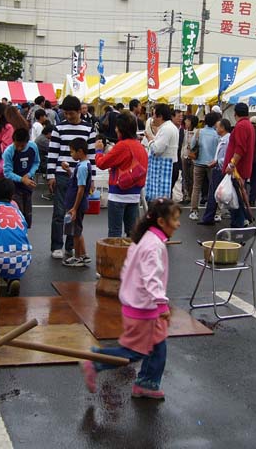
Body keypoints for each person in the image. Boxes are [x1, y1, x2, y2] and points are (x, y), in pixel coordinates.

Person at [80, 198, 180, 400]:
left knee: (157, 346)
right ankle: (96, 362)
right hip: (145, 309)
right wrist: (162, 304)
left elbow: (130, 270)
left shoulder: (145, 238)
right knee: (134, 351)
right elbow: (151, 278)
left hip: (140, 305)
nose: (178, 224)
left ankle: (147, 383)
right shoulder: (153, 246)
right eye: (175, 219)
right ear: (161, 222)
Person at [46, 95, 96, 260]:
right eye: (65, 113)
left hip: (80, 176)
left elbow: (92, 155)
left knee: (74, 213)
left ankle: (70, 246)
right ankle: (57, 246)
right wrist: (50, 175)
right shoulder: (58, 128)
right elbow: (53, 153)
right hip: (62, 175)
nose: (67, 116)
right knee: (60, 212)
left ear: (79, 111)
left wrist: (92, 179)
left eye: (71, 113)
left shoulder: (89, 129)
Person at [94, 113, 148, 238]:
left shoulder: (122, 146)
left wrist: (98, 150)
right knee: (132, 233)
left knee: (114, 233)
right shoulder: (139, 147)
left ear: (120, 129)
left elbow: (101, 163)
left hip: (118, 194)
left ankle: (116, 257)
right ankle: (132, 256)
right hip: (134, 195)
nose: (115, 130)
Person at [0, 178, 33, 297]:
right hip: (24, 260)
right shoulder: (17, 211)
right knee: (10, 248)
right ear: (12, 196)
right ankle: (12, 279)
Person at [223, 103, 255, 227]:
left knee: (235, 199)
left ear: (235, 113)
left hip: (237, 169)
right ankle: (244, 220)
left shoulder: (241, 126)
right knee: (239, 197)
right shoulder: (249, 125)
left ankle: (238, 226)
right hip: (242, 167)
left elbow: (240, 148)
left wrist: (231, 164)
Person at [62, 138, 91, 267]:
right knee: (78, 230)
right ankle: (83, 255)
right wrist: (68, 171)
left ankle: (78, 257)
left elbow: (81, 189)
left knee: (75, 232)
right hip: (75, 203)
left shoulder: (83, 167)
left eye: (72, 152)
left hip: (76, 204)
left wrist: (74, 208)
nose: (71, 154)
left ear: (80, 151)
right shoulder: (82, 165)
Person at [2, 128, 40, 228]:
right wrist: (22, 179)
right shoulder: (9, 152)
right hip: (14, 187)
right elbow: (7, 172)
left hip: (27, 187)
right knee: (18, 215)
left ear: (27, 142)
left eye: (22, 146)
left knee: (27, 216)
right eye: (16, 145)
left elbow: (36, 162)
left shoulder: (33, 147)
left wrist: (29, 174)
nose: (19, 148)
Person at [198, 118, 231, 226]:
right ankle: (210, 217)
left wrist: (216, 162)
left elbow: (226, 156)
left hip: (221, 169)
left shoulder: (227, 140)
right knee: (217, 194)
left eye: (218, 126)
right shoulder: (223, 138)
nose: (216, 128)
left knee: (217, 194)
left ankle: (209, 217)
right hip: (219, 168)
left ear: (222, 128)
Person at [189, 112, 220, 221]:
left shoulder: (198, 132)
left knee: (196, 187)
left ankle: (194, 211)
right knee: (215, 188)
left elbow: (192, 145)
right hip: (212, 164)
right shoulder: (217, 134)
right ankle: (217, 212)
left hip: (198, 162)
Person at [145, 104, 178, 201]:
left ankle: (163, 216)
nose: (153, 118)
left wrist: (150, 139)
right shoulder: (168, 127)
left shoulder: (166, 129)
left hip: (166, 166)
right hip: (169, 165)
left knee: (162, 201)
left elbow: (157, 149)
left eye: (154, 115)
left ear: (160, 116)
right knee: (163, 200)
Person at [180, 115, 199, 204]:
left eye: (187, 121)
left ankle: (191, 195)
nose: (185, 122)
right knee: (185, 176)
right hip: (185, 156)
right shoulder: (184, 132)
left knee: (192, 177)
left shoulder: (197, 132)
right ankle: (186, 195)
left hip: (193, 157)